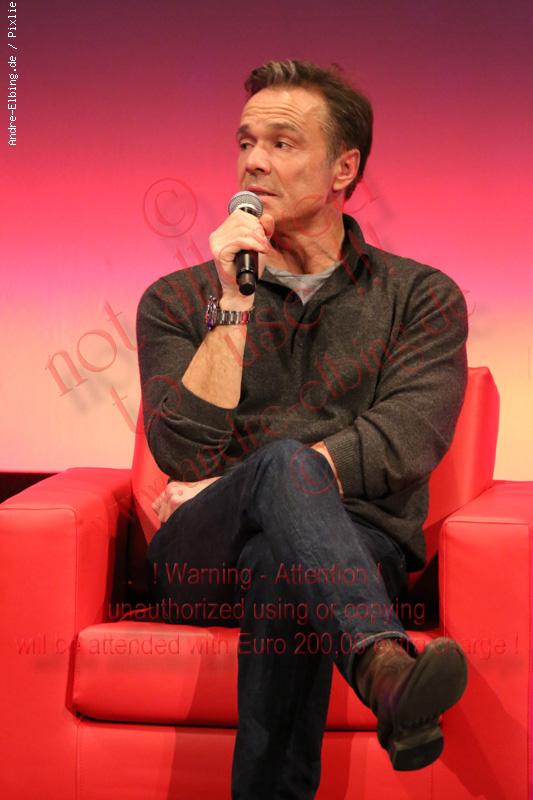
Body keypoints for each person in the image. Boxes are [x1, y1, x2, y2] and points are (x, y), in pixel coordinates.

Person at [136, 59, 469, 800]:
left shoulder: (420, 297)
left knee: (283, 561)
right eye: (245, 141)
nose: (253, 161)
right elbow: (181, 451)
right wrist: (231, 303)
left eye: (282, 143)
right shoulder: (178, 300)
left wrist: (261, 478)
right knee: (282, 481)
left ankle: (384, 684)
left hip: (354, 548)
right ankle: (382, 664)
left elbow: (404, 438)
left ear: (343, 168)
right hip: (203, 559)